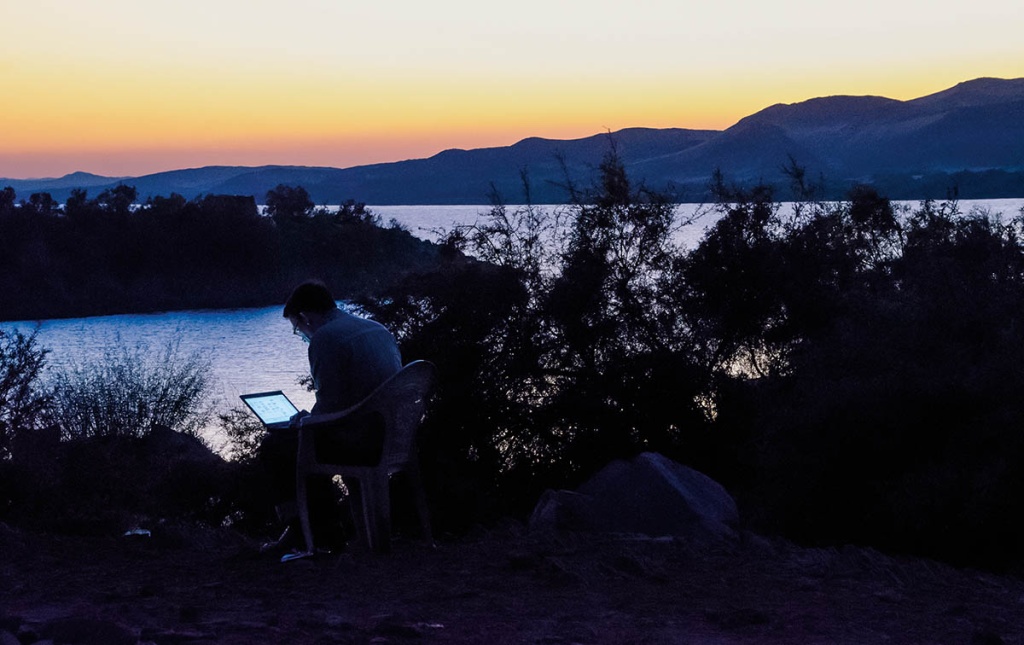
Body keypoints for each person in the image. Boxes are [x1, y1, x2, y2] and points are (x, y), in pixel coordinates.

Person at [259, 280, 402, 555]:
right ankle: (324, 531)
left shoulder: (326, 338)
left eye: (297, 329)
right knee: (304, 439)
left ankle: (306, 532)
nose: (302, 335)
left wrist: (304, 421)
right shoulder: (377, 329)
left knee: (276, 447)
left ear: (305, 317)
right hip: (394, 435)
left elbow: (329, 407)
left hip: (362, 442)